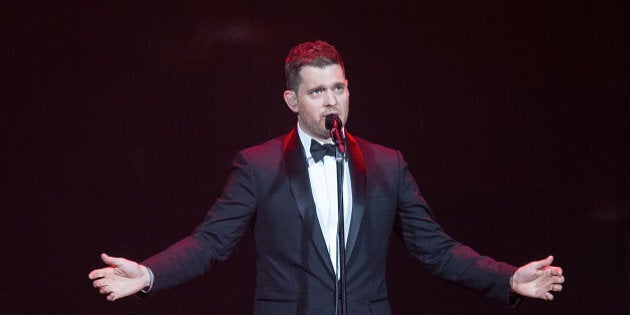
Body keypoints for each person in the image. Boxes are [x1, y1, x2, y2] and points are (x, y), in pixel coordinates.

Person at [89, 40, 565, 314]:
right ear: (293, 101)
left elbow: (435, 248)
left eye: (339, 87)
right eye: (317, 91)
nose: (332, 99)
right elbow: (211, 242)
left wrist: (507, 280)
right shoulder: (258, 165)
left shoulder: (387, 164)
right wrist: (150, 273)